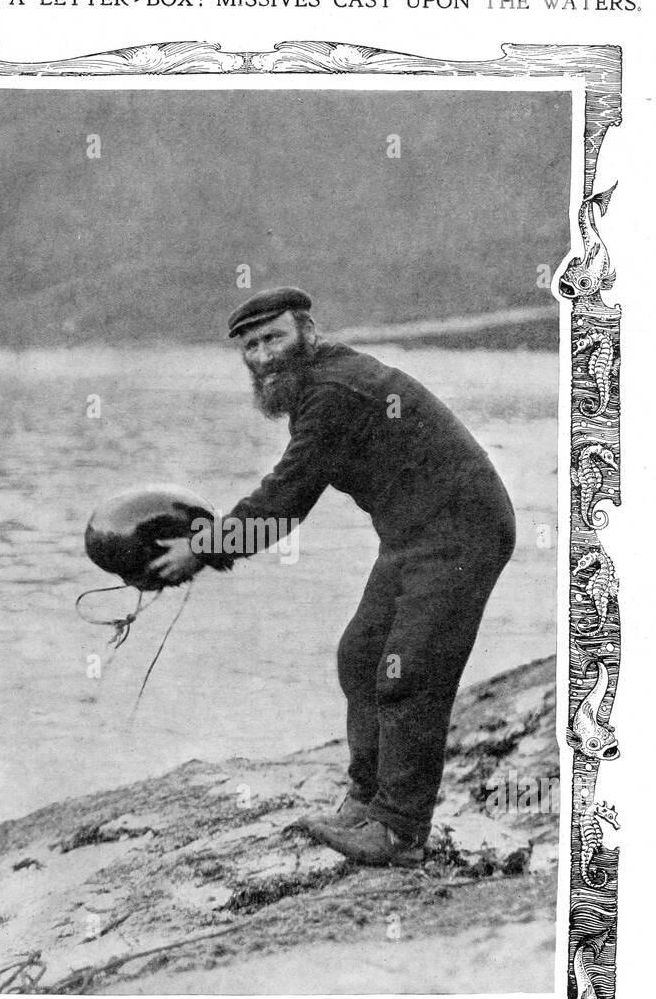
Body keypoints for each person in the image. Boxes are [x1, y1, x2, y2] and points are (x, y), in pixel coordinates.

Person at [153, 287, 516, 867]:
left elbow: (284, 500)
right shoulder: (314, 387)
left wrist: (202, 549)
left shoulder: (333, 392)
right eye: (251, 346)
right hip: (412, 534)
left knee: (408, 670)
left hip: (461, 531)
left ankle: (398, 832)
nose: (263, 355)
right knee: (361, 656)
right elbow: (288, 493)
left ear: (308, 333)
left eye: (274, 338)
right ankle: (366, 802)